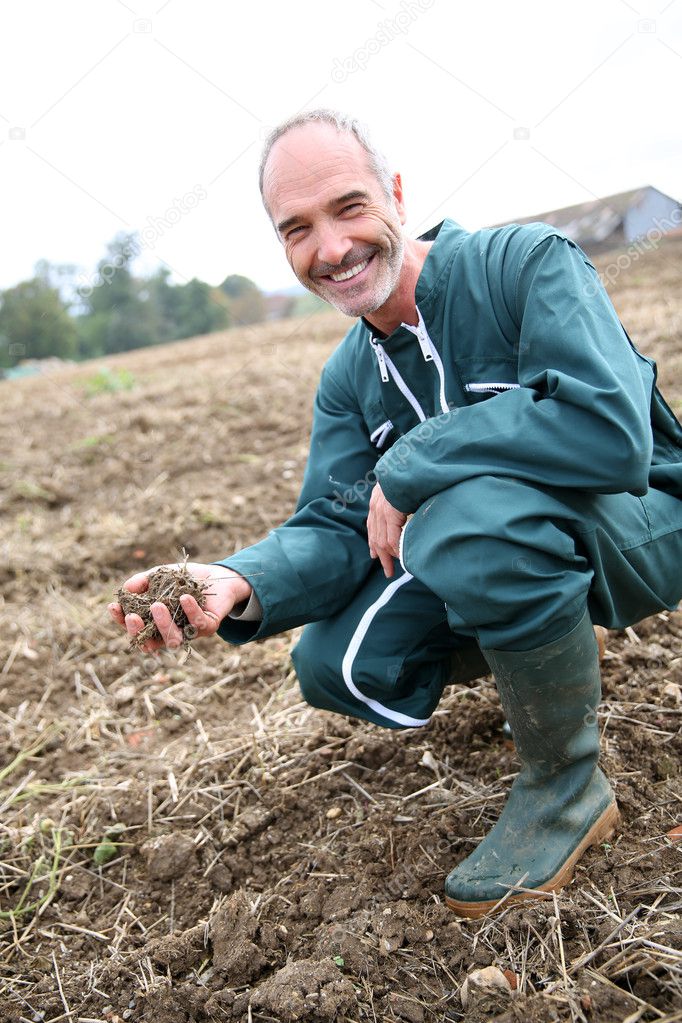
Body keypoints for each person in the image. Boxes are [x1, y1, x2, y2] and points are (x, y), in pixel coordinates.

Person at [109, 109, 682, 918]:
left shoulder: (521, 264)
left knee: (464, 522)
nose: (332, 248)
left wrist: (414, 461)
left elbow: (610, 433)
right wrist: (234, 578)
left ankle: (566, 785)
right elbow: (336, 523)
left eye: (348, 207)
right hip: (525, 543)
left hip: (652, 519)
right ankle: (540, 636)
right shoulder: (350, 377)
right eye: (297, 229)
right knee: (339, 661)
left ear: (397, 194)